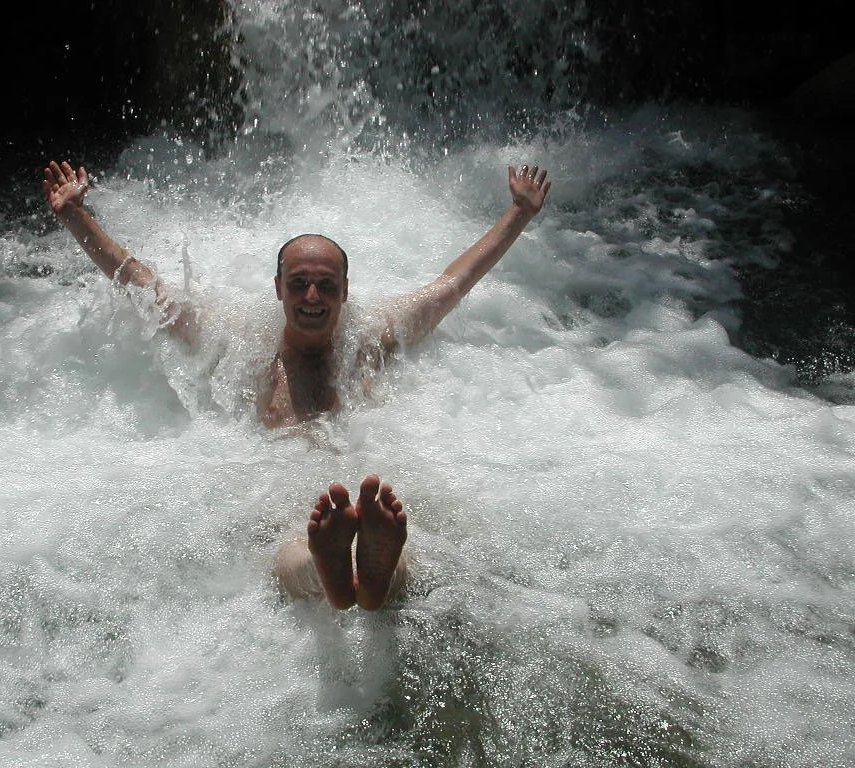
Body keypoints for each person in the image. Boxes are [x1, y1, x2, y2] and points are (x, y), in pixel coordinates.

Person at [42, 159, 552, 611]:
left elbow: (453, 283)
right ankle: (335, 572)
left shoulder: (372, 334)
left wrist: (519, 213)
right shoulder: (242, 337)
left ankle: (373, 577)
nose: (313, 295)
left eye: (327, 285)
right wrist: (75, 216)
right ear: (278, 288)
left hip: (362, 476)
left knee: (396, 554)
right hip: (282, 486)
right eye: (299, 283)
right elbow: (145, 288)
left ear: (345, 291)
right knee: (292, 552)